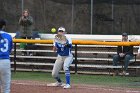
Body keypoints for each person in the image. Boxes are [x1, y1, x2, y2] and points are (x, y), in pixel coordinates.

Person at [0, 19, 13, 93]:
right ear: (3, 26)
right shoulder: (8, 36)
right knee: (6, 88)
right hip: (5, 61)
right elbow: (10, 50)